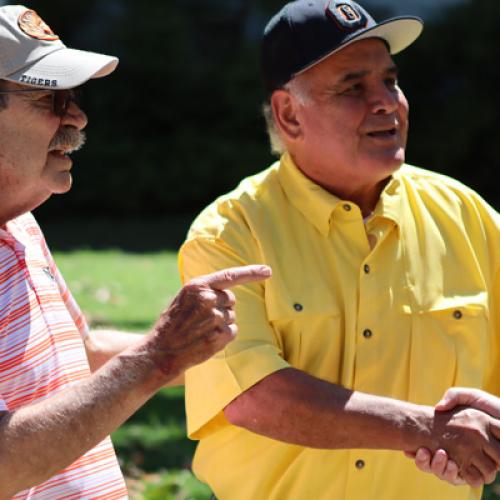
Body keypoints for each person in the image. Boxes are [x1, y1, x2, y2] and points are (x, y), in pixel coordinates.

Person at [178, 1, 500, 499]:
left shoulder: (468, 217)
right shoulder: (229, 235)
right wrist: (427, 427)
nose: (386, 102)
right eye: (353, 87)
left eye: (390, 81)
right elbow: (254, 397)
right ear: (289, 114)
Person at [0, 5, 271, 498]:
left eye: (73, 96)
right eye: (50, 98)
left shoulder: (19, 224)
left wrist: (250, 354)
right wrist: (155, 358)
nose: (77, 115)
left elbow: (78, 358)